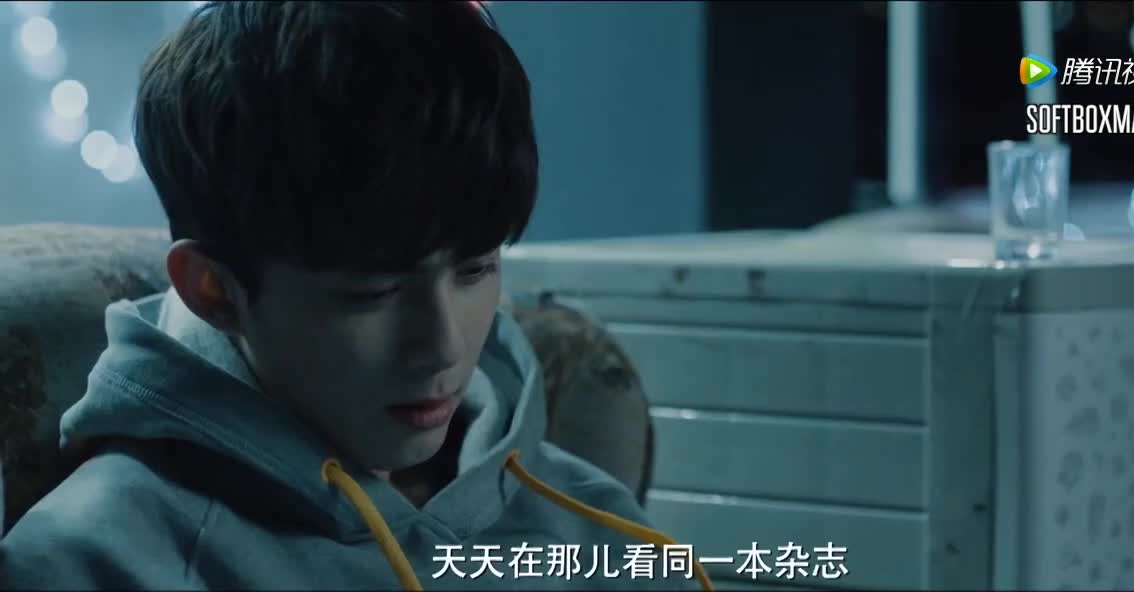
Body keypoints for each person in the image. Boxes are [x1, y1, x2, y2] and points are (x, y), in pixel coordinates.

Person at [0, 2, 710, 590]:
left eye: (474, 270)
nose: (442, 345)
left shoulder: (594, 523)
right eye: (373, 294)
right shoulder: (98, 561)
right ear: (217, 291)